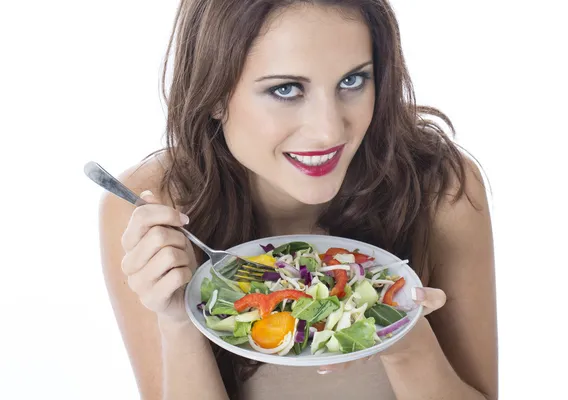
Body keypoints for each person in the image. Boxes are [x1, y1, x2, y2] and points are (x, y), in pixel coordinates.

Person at [98, 1, 497, 399]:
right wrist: (178, 322)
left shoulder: (440, 189)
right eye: (285, 90)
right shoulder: (150, 209)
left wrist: (401, 337)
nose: (328, 131)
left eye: (352, 82)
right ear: (214, 94)